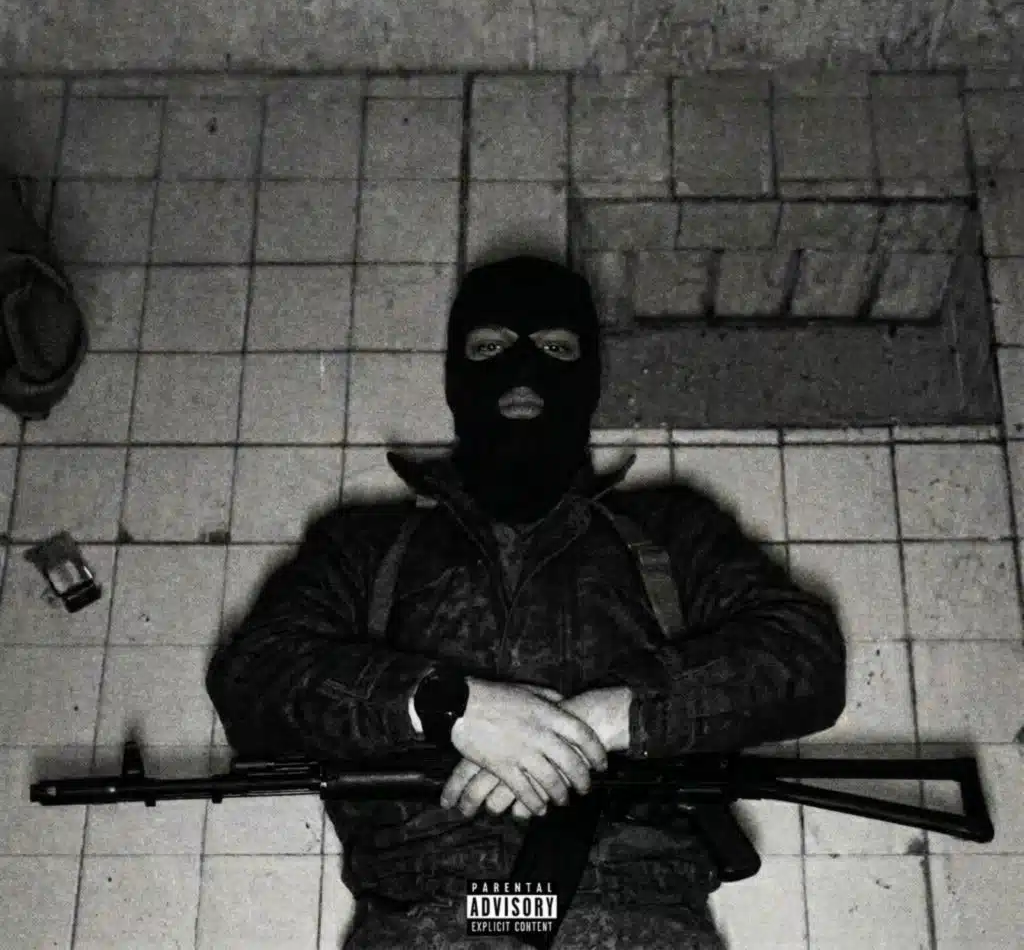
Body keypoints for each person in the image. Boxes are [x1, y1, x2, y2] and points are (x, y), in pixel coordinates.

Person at [206, 255, 847, 948]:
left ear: (588, 377)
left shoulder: (672, 533)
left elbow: (804, 656)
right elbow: (253, 679)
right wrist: (445, 706)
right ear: (455, 376)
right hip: (424, 922)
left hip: (638, 922)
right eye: (490, 348)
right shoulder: (364, 546)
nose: (521, 370)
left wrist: (612, 718)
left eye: (555, 349)